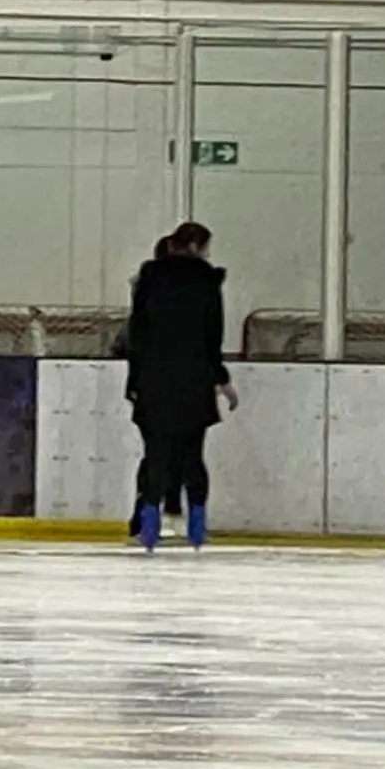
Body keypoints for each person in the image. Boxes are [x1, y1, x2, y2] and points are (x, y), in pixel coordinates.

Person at [121, 221, 233, 552]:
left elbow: (137, 335)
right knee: (191, 453)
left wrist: (134, 381)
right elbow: (213, 336)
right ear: (197, 246)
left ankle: (150, 522)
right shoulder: (207, 281)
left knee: (157, 452)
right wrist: (220, 378)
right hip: (194, 378)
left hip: (154, 378)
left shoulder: (149, 280)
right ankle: (197, 521)